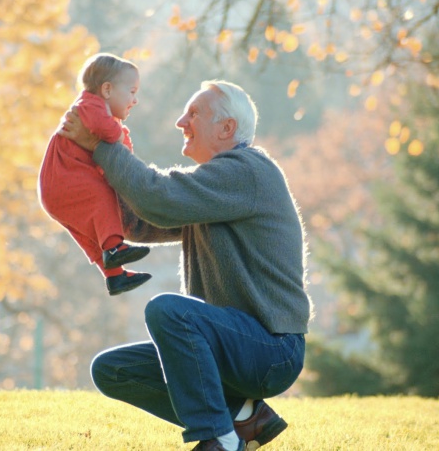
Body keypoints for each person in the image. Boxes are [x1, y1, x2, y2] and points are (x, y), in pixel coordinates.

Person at [59, 80, 313, 451]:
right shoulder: (217, 187)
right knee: (112, 370)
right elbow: (143, 218)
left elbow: (158, 198)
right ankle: (246, 416)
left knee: (168, 311)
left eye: (194, 113)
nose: (181, 121)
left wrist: (100, 142)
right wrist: (84, 185)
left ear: (227, 129)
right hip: (230, 346)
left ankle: (220, 440)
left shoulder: (246, 172)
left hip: (271, 351)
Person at [38, 53, 151, 296]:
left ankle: (114, 276)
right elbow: (108, 133)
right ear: (107, 90)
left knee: (92, 235)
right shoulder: (91, 105)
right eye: (131, 92)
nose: (135, 100)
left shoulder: (94, 109)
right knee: (103, 199)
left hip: (58, 189)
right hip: (66, 180)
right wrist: (120, 135)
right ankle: (114, 249)